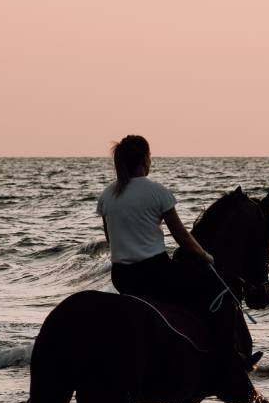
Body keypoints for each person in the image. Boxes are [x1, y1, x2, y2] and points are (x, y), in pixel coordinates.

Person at [97, 134, 254, 368]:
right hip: (155, 274)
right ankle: (227, 358)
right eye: (150, 156)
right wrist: (205, 256)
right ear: (144, 159)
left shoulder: (107, 195)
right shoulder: (156, 191)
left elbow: (111, 238)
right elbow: (181, 237)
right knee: (220, 292)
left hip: (121, 277)